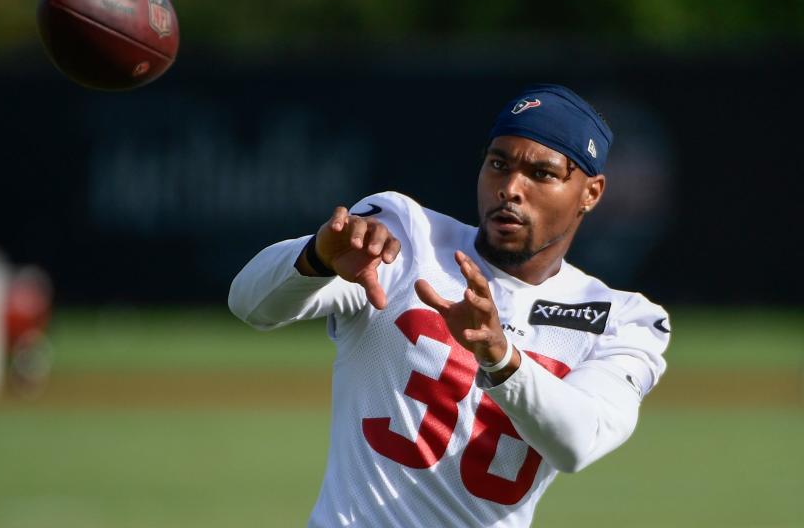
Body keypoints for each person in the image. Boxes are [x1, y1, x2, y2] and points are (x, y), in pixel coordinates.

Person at [228, 84, 670, 528]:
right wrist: (315, 256)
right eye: (499, 164)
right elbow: (251, 305)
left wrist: (500, 358)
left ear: (591, 193)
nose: (511, 189)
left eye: (542, 174)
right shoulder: (407, 234)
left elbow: (576, 442)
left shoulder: (623, 320)